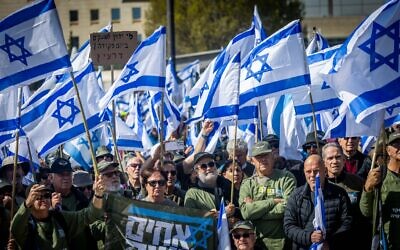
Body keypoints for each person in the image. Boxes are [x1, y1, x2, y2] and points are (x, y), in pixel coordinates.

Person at [10, 177, 105, 250]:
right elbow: (15, 228)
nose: (43, 199)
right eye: (37, 197)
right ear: (30, 200)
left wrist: (98, 195)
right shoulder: (27, 225)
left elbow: (90, 215)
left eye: (46, 195)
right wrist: (27, 204)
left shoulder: (60, 217)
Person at [284, 154, 352, 249]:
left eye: (316, 171)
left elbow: (347, 223)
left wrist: (329, 243)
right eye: (308, 171)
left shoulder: (339, 194)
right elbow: (289, 226)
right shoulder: (296, 196)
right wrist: (309, 237)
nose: (312, 175)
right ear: (304, 173)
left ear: (324, 170)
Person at [239, 141, 296, 249]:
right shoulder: (248, 183)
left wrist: (257, 211)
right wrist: (273, 202)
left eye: (266, 155)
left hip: (284, 242)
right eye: (259, 157)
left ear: (273, 156)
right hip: (257, 243)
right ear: (252, 160)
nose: (263, 159)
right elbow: (246, 213)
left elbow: (288, 207)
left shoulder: (286, 178)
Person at [322, 142, 371, 249]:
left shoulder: (357, 182)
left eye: (338, 157)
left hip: (355, 238)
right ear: (324, 162)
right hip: (329, 240)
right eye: (330, 158)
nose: (335, 161)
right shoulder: (319, 185)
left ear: (344, 160)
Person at [360, 132, 400, 250]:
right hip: (388, 242)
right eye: (397, 144)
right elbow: (366, 211)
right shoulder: (379, 176)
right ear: (388, 150)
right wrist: (368, 187)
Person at [184, 152, 235, 216]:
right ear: (196, 172)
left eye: (211, 164)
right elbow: (192, 219)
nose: (208, 168)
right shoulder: (192, 194)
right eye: (203, 166)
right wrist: (221, 214)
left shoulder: (228, 184)